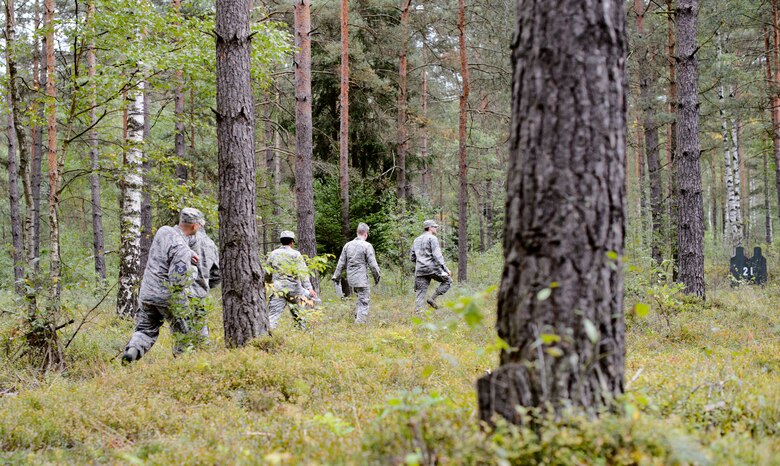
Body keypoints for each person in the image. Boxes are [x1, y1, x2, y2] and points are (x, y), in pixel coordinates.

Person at [122, 208, 203, 364]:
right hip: (168, 297)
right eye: (199, 225)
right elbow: (178, 280)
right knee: (184, 334)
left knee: (145, 330)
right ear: (194, 226)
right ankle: (183, 366)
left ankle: (132, 352)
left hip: (147, 294)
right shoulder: (182, 249)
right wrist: (193, 266)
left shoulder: (163, 231)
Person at [266, 230, 318, 329]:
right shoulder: (296, 254)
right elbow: (303, 273)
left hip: (278, 289)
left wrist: (268, 283)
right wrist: (309, 288)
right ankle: (302, 335)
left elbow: (268, 272)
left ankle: (267, 336)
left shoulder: (273, 254)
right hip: (295, 290)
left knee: (273, 316)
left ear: (281, 241)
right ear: (292, 242)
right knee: (300, 316)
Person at [332, 223, 381, 323]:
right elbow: (373, 265)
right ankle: (359, 324)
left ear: (357, 232)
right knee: (364, 301)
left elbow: (341, 263)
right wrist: (377, 277)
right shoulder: (367, 246)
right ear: (366, 234)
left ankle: (357, 318)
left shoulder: (347, 245)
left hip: (351, 279)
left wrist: (336, 277)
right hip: (362, 279)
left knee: (360, 298)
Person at [186, 217, 221, 345]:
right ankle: (203, 351)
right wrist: (206, 284)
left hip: (182, 289)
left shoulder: (184, 239)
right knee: (200, 322)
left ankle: (183, 358)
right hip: (201, 291)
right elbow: (217, 274)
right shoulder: (211, 244)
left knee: (182, 325)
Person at [410, 219, 452, 312]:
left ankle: (418, 312)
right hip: (432, 268)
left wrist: (421, 262)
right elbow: (437, 255)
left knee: (421, 292)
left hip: (420, 270)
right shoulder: (432, 238)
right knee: (448, 281)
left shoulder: (416, 240)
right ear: (429, 228)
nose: (436, 228)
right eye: (435, 227)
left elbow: (412, 257)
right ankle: (432, 298)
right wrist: (446, 269)